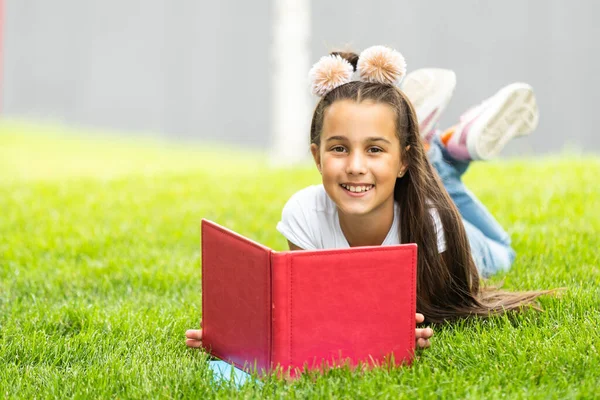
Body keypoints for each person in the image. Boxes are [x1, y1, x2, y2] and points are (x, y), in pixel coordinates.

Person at [186, 45, 549, 355]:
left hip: (464, 243)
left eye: (374, 149)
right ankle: (440, 152)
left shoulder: (431, 224)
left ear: (403, 160)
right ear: (317, 157)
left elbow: (424, 310)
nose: (355, 167)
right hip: (409, 185)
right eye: (339, 148)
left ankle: (443, 154)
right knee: (418, 184)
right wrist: (235, 336)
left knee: (504, 252)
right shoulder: (303, 214)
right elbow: (311, 311)